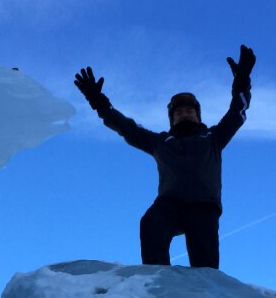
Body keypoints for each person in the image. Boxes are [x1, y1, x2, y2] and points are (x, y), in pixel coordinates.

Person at [74, 46, 255, 269]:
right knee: (150, 223)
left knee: (205, 268)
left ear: (198, 116)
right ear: (172, 119)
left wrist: (242, 81)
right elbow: (127, 129)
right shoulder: (160, 142)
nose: (184, 113)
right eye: (178, 112)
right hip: (170, 205)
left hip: (204, 207)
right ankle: (158, 281)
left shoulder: (213, 137)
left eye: (189, 111)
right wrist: (99, 103)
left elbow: (237, 112)